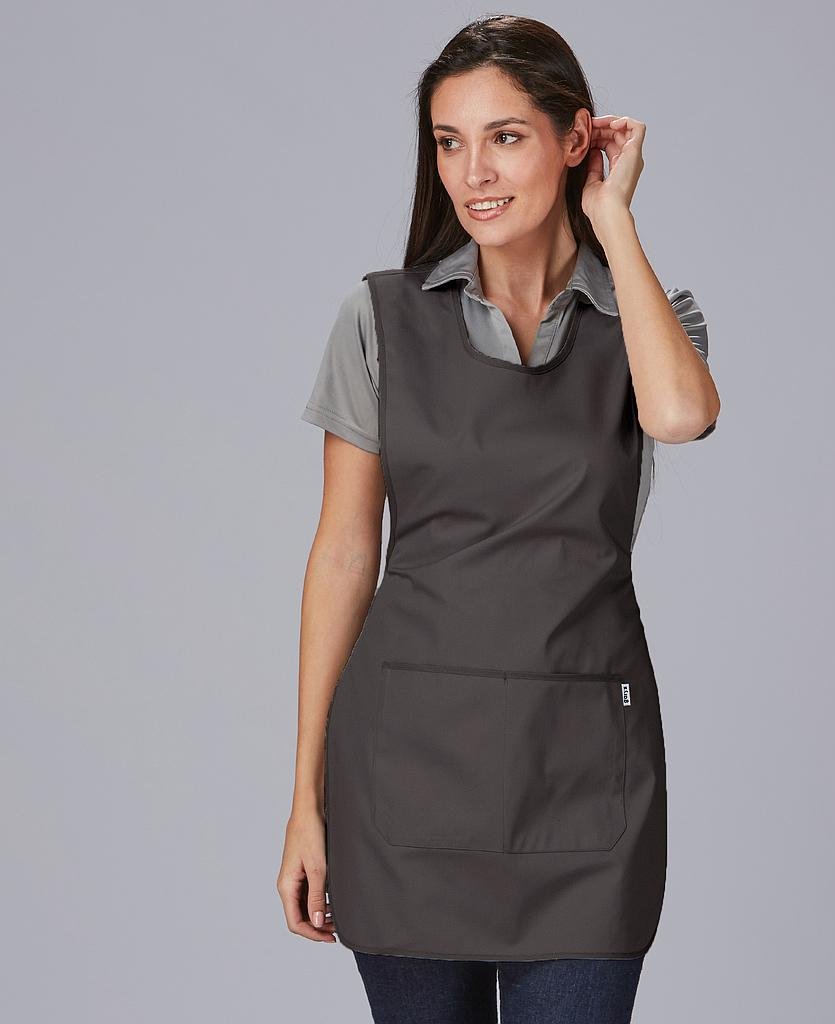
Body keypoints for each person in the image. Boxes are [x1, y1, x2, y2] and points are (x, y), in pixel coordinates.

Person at [278, 14, 720, 1024]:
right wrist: (306, 799)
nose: (472, 172)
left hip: (584, 778)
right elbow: (342, 554)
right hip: (405, 774)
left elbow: (681, 416)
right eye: (448, 142)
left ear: (575, 139)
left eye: (506, 136)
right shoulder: (380, 318)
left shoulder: (643, 319)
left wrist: (613, 220)